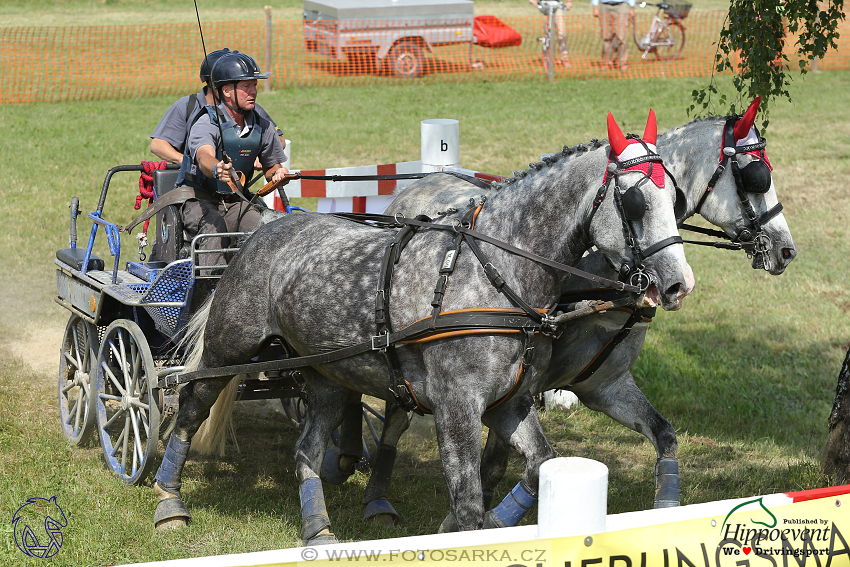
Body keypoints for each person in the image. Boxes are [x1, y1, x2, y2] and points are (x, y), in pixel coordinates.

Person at [175, 51, 288, 276]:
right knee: (212, 234)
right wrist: (217, 168)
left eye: (254, 85)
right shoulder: (207, 121)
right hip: (198, 199)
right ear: (226, 91)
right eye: (246, 86)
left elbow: (271, 167)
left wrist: (278, 173)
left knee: (263, 231)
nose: (254, 91)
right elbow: (203, 156)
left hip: (236, 200)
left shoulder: (263, 126)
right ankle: (205, 298)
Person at [149, 48, 286, 166]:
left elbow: (278, 140)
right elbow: (158, 145)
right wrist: (189, 162)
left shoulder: (249, 108)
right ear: (219, 85)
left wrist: (255, 154)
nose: (253, 92)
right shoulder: (186, 106)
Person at [591, 0, 635, 72]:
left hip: (621, 6)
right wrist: (595, 7)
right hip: (604, 6)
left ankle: (623, 64)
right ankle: (606, 63)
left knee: (622, 37)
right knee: (606, 37)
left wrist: (632, 7)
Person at [529, 0, 573, 67]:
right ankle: (549, 57)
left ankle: (564, 58)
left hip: (557, 5)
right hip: (545, 6)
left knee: (562, 33)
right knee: (549, 34)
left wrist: (569, 2)